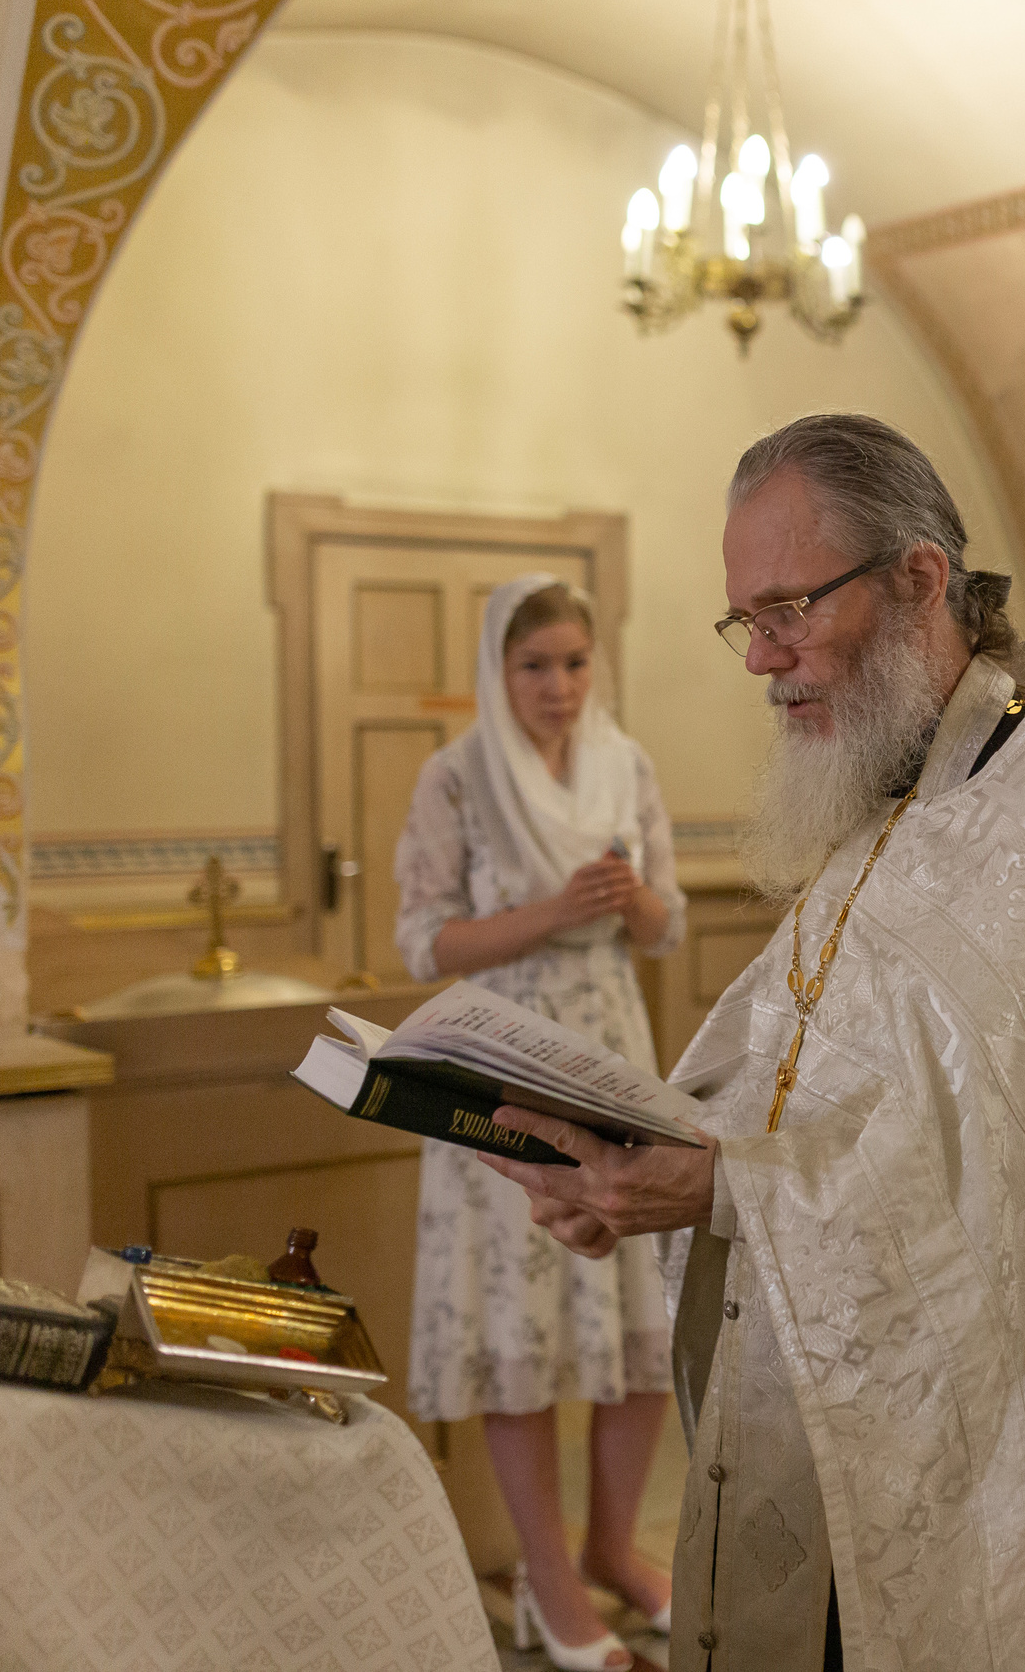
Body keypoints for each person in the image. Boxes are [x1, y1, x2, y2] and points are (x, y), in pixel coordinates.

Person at [475, 413, 1025, 1671]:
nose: (764, 660)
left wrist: (717, 1188)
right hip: (821, 1414)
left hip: (982, 1474)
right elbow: (804, 1058)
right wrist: (644, 1154)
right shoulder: (904, 794)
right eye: (745, 621)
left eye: (788, 609)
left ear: (918, 579)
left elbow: (1024, 1205)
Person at [394, 575, 684, 1672]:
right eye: (533, 666)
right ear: (496, 670)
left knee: (634, 1307)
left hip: (608, 1050)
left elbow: (664, 925)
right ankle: (546, 1579)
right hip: (498, 1062)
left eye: (573, 663)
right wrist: (549, 915)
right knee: (518, 1315)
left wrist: (630, 902)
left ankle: (614, 1545)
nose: (558, 686)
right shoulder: (456, 775)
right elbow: (422, 942)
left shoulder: (627, 762)